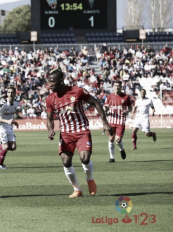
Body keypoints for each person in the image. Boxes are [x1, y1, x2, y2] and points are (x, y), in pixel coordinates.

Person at [46, 69, 113, 198]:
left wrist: (105, 122)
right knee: (66, 161)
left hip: (81, 130)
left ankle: (89, 179)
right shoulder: (50, 98)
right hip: (65, 133)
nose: (50, 84)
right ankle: (77, 189)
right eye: (49, 82)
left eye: (52, 82)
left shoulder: (77, 91)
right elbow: (49, 118)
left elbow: (95, 102)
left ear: (61, 81)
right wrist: (50, 130)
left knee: (85, 158)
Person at [103, 80, 132, 163]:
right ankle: (112, 157)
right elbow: (105, 106)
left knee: (118, 140)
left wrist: (126, 111)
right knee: (111, 138)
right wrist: (106, 108)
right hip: (111, 120)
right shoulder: (109, 96)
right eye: (115, 86)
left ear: (121, 87)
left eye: (119, 86)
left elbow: (130, 108)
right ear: (113, 87)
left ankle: (121, 149)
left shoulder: (125, 97)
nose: (117, 87)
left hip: (120, 121)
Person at [0, 87, 20, 169]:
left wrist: (13, 122)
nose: (10, 94)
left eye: (12, 92)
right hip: (1, 127)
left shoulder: (16, 103)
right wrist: (7, 121)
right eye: (9, 92)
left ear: (15, 94)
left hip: (9, 127)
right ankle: (0, 164)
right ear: (7, 94)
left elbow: (10, 115)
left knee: (13, 147)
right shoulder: (2, 104)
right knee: (6, 147)